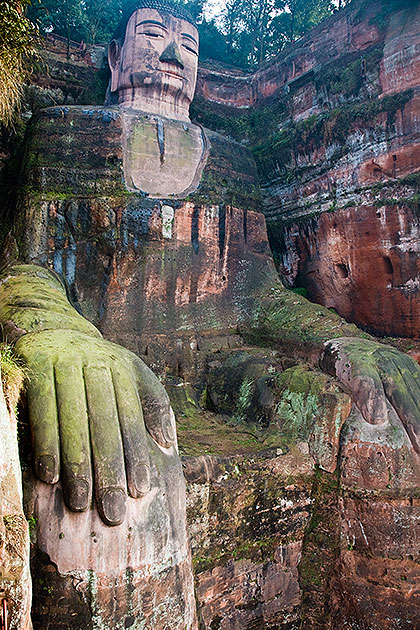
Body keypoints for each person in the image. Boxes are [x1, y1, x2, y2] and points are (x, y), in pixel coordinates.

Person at [0, 0, 419, 627]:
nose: (172, 56)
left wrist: (340, 342)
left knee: (372, 421)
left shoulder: (230, 159)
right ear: (115, 62)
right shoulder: (66, 134)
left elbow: (262, 298)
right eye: (152, 36)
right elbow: (25, 266)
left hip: (223, 359)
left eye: (189, 48)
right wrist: (57, 334)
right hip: (112, 360)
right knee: (120, 480)